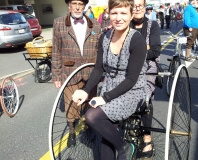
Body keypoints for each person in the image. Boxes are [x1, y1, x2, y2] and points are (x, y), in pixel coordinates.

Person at [72, 0, 148, 159]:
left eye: (123, 13)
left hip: (131, 91)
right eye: (114, 13)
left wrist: (104, 98)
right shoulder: (105, 37)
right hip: (109, 87)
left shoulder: (136, 40)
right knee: (106, 135)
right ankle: (121, 148)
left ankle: (124, 147)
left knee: (92, 116)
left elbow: (132, 79)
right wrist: (86, 91)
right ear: (108, 13)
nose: (118, 18)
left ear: (131, 14)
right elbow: (99, 68)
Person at [51, 0, 101, 148]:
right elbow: (56, 51)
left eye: (80, 3)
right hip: (69, 73)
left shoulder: (95, 24)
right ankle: (72, 130)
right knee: (71, 105)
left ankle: (89, 126)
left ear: (85, 5)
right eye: (74, 3)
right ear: (69, 5)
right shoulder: (58, 23)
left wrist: (101, 71)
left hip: (91, 73)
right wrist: (56, 75)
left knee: (91, 103)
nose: (78, 7)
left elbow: (99, 51)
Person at [130, 0, 161, 158]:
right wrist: (143, 47)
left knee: (145, 98)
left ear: (144, 6)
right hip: (127, 67)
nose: (137, 9)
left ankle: (147, 138)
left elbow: (155, 51)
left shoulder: (152, 25)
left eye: (140, 6)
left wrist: (133, 50)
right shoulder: (125, 24)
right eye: (134, 6)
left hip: (148, 67)